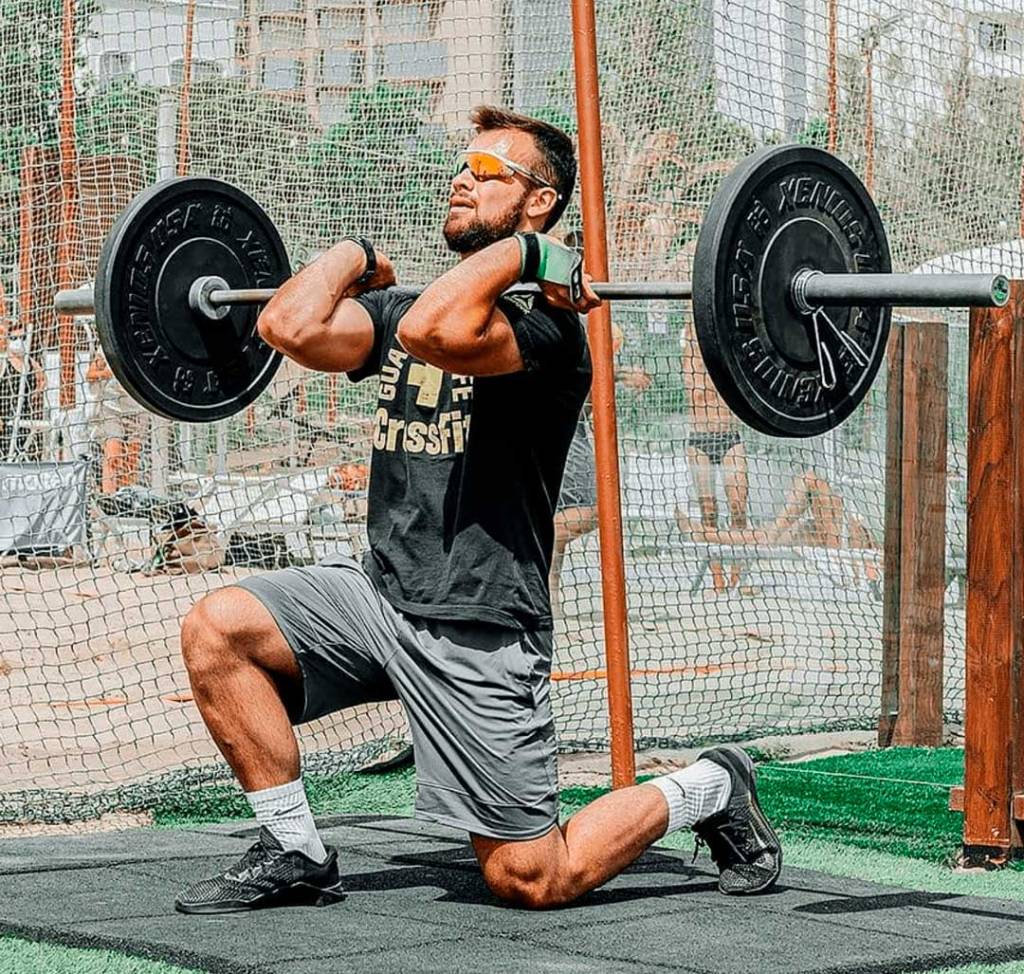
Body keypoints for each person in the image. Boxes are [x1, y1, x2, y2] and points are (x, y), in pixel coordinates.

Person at [175, 106, 780, 915]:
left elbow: (433, 332)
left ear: (540, 200)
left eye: (488, 171)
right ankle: (294, 848)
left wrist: (528, 257)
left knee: (532, 878)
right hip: (378, 600)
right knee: (218, 627)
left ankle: (711, 784)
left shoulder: (551, 333)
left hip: (479, 624)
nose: (462, 178)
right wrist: (354, 254)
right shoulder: (399, 310)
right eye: (461, 166)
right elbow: (285, 323)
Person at [549, 321, 650, 616]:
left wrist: (618, 376)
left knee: (566, 520)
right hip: (566, 436)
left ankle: (551, 601)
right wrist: (619, 375)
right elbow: (586, 374)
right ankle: (543, 552)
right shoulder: (573, 351)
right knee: (598, 509)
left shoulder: (590, 357)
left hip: (573, 433)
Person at [680, 312, 748, 591]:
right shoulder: (691, 357)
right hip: (700, 441)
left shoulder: (727, 353)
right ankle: (717, 579)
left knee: (738, 507)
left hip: (730, 438)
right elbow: (691, 317)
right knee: (709, 511)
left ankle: (737, 575)